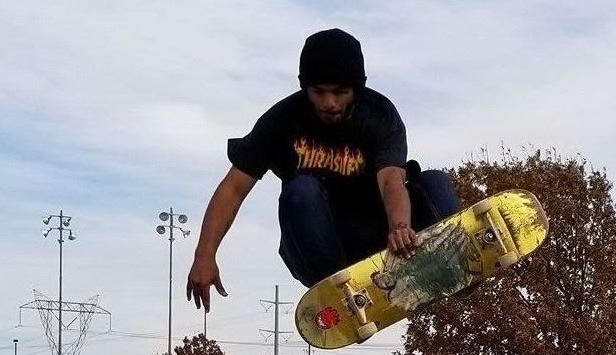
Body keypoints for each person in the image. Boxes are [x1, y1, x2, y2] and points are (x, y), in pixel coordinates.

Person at [187, 27, 460, 312]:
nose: (329, 103)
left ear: (356, 89)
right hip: (318, 245)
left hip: (377, 233)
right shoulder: (282, 120)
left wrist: (399, 226)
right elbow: (233, 189)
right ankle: (337, 287)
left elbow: (391, 179)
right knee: (300, 189)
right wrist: (204, 255)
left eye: (340, 93)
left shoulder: (378, 114)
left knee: (434, 182)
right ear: (306, 87)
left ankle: (457, 261)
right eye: (318, 92)